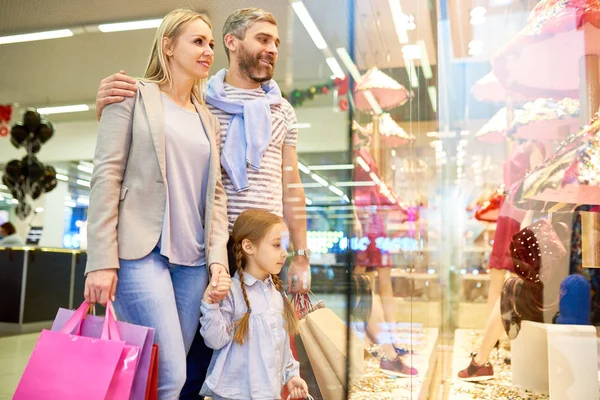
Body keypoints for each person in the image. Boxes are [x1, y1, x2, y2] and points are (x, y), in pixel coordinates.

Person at [94, 8, 311, 398]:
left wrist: (300, 251)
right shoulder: (200, 101)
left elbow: (286, 185)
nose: (272, 49)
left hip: (233, 258)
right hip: (200, 250)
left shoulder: (265, 113)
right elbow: (116, 171)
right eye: (262, 39)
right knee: (182, 369)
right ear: (235, 42)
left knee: (248, 354)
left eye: (276, 42)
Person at [83, 9, 231, 399]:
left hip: (193, 262)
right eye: (197, 41)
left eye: (211, 44)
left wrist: (218, 259)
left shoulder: (207, 119)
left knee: (150, 376)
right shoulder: (130, 95)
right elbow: (106, 178)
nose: (208, 51)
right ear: (168, 46)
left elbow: (216, 195)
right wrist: (100, 260)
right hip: (140, 255)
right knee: (169, 378)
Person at [199, 209, 308, 400]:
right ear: (249, 246)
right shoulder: (231, 291)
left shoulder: (276, 293)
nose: (284, 254)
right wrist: (210, 303)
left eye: (285, 246)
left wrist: (291, 376)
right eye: (276, 245)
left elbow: (279, 343)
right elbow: (215, 340)